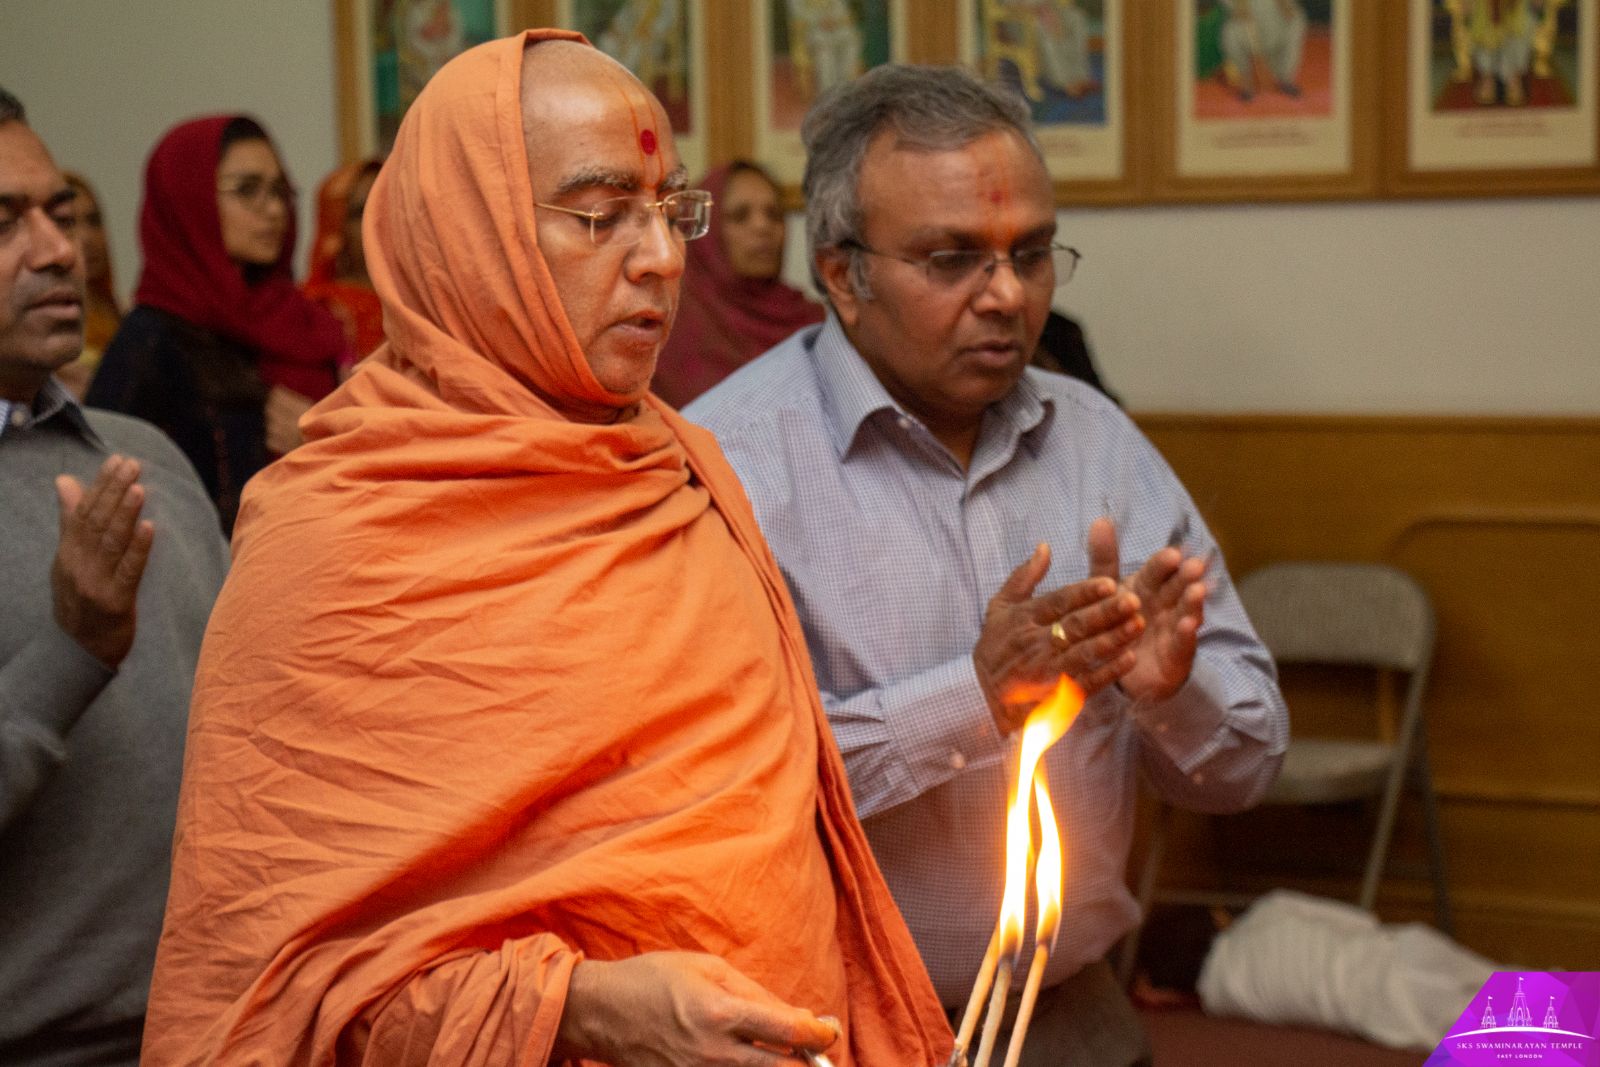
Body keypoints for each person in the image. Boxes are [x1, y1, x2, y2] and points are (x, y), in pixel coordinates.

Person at [140, 32, 950, 1067]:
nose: (662, 257)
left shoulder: (682, 465)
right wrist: (579, 1007)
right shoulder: (337, 538)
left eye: (671, 209)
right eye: (602, 215)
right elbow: (276, 992)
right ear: (469, 237)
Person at [686, 64, 1289, 1067]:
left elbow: (1249, 764)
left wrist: (1168, 696)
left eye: (1032, 253)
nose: (1007, 295)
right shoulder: (728, 464)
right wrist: (972, 696)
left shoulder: (1098, 444)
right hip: (830, 1033)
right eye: (953, 258)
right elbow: (715, 791)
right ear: (841, 273)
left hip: (1073, 1021)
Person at [0, 86, 229, 1067]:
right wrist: (72, 651)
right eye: (5, 222)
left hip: (233, 1026)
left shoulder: (145, 455)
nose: (60, 250)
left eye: (60, 212)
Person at [86, 116, 350, 533]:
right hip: (215, 566)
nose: (274, 210)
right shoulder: (152, 340)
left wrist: (322, 440)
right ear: (188, 200)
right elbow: (97, 487)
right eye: (247, 190)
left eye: (279, 191)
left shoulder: (304, 322)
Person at [651, 160, 823, 407]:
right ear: (704, 230)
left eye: (774, 215)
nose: (763, 227)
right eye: (740, 216)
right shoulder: (671, 324)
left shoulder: (813, 323)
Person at [303, 157, 385, 366]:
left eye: (385, 204)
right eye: (360, 212)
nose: (379, 218)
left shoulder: (427, 294)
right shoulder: (318, 306)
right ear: (336, 227)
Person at [53, 171, 120, 398]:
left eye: (94, 221)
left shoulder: (123, 315)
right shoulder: (41, 326)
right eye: (67, 222)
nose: (87, 238)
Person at [1220, 0, 1308, 101]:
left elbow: (1288, 8)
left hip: (1275, 18)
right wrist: (1238, 7)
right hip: (1246, 23)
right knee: (1230, 35)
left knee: (1296, 21)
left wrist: (1285, 5)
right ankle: (1246, 83)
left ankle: (1285, 79)